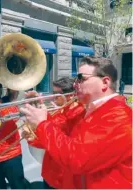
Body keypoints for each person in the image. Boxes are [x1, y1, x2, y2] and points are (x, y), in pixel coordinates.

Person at [20, 56, 132, 189]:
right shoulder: (87, 111)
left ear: (105, 83)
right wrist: (37, 113)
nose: (75, 84)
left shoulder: (119, 117)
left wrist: (42, 124)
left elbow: (77, 159)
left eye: (81, 78)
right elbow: (57, 137)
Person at [22, 77, 85, 189]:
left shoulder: (77, 115)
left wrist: (38, 128)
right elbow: (46, 140)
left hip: (62, 178)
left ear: (70, 95)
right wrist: (31, 136)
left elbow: (54, 136)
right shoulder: (60, 111)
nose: (52, 97)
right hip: (50, 173)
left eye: (56, 93)